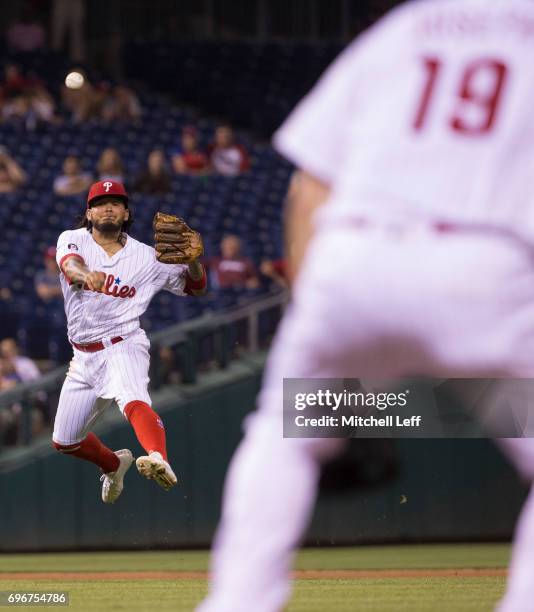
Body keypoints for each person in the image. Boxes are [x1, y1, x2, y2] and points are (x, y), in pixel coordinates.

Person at [198, 1, 534, 611]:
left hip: (352, 256)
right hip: (486, 262)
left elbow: (309, 187)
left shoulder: (405, 28)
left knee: (283, 434)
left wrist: (317, 322)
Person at [52, 180, 207, 504]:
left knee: (132, 399)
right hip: (82, 357)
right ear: (89, 213)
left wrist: (193, 262)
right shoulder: (73, 239)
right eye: (100, 202)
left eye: (116, 202)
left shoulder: (147, 258)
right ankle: (114, 464)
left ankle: (158, 456)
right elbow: (70, 266)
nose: (108, 206)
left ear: (126, 213)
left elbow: (195, 287)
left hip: (124, 344)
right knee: (64, 440)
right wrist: (85, 275)